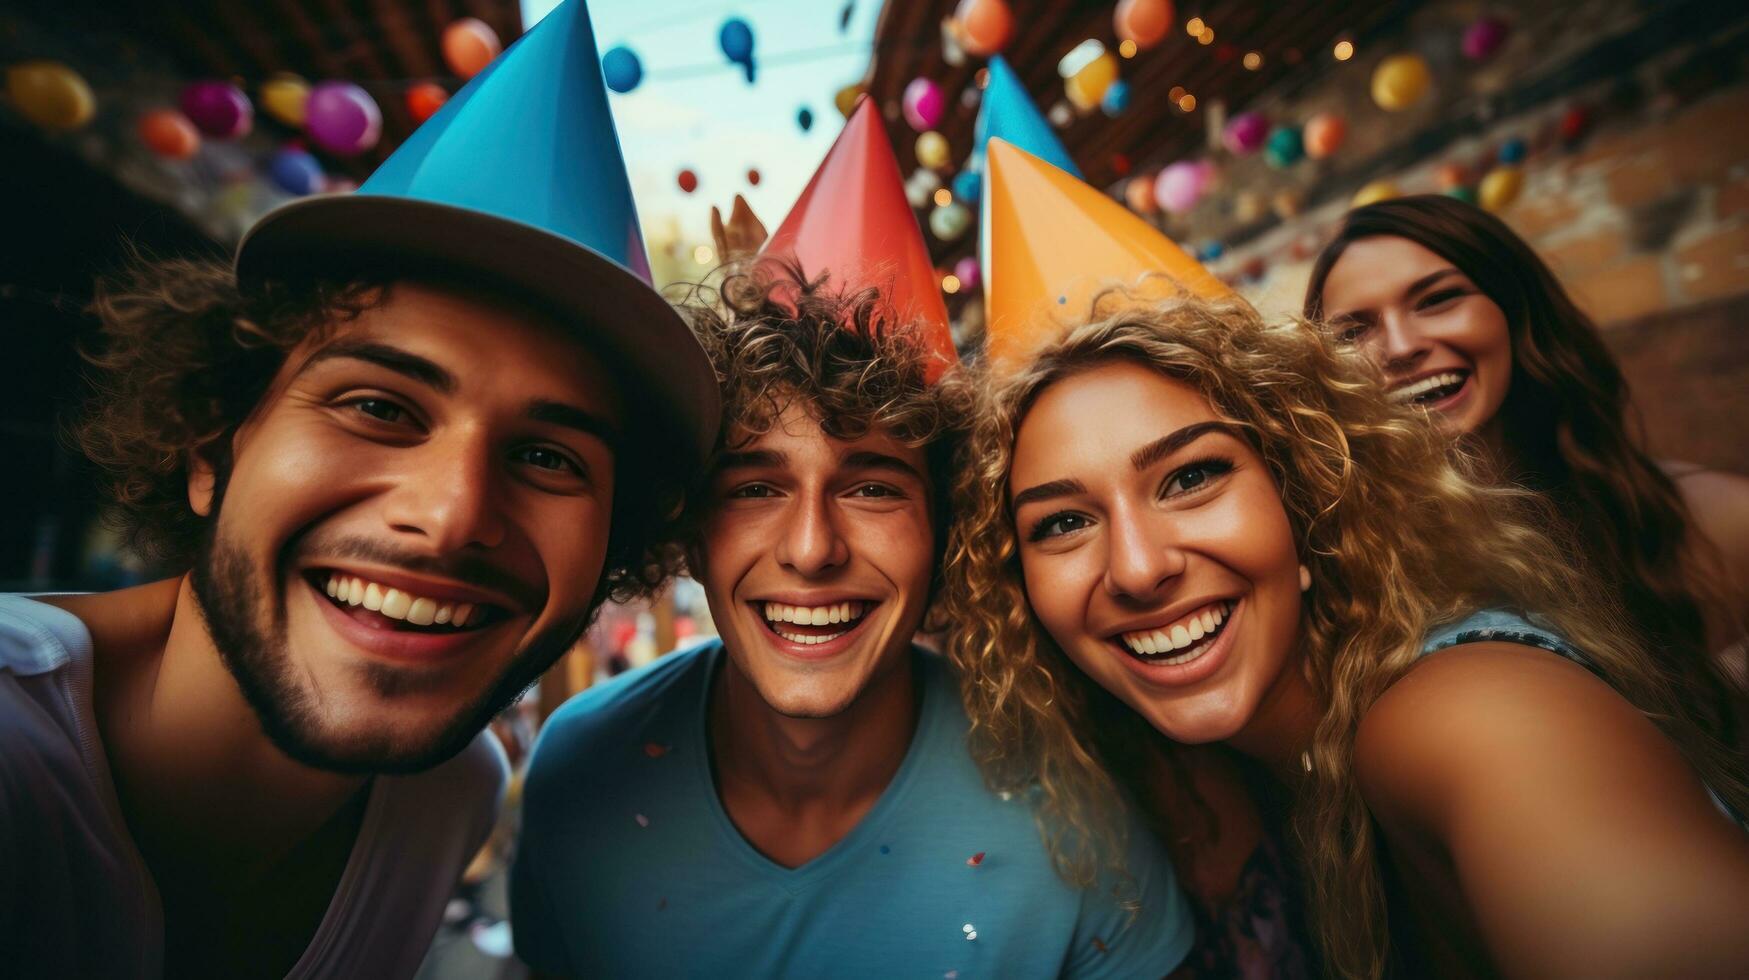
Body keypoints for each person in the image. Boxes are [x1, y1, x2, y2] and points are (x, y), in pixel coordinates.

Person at [0, 3, 717, 976]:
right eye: (379, 406)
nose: (452, 514)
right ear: (214, 444)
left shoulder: (451, 791)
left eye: (551, 457)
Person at [943, 144, 1749, 979]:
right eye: (1064, 522)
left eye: (1191, 477)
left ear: (1304, 503)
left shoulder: (1459, 712)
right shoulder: (1191, 782)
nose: (1138, 567)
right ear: (1018, 589)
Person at [511, 103, 1194, 979]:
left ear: (946, 529)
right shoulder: (578, 766)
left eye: (872, 485)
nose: (809, 548)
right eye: (754, 487)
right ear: (689, 530)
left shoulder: (1077, 796)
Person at [1304, 195, 1749, 739]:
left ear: (1516, 312)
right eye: (1353, 332)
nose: (1399, 347)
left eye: (1438, 299)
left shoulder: (1719, 522)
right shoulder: (1345, 579)